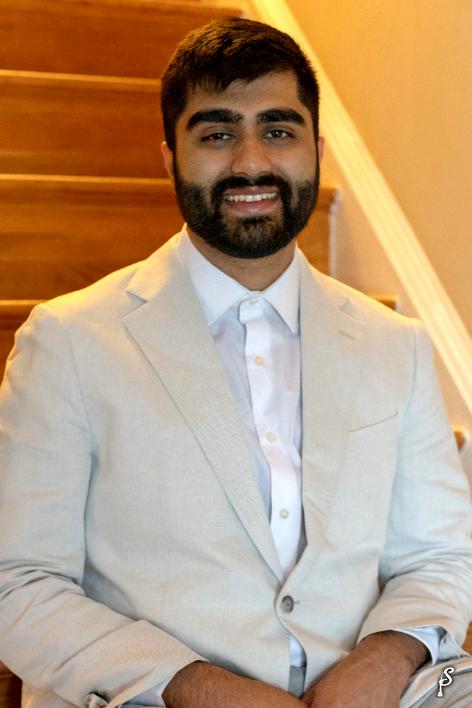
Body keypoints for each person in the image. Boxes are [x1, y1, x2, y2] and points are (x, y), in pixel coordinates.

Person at [0, 17, 471, 708]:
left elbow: (440, 556)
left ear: (316, 149)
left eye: (278, 131)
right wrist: (199, 688)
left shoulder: (394, 344)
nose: (251, 163)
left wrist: (387, 655)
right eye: (217, 134)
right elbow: (18, 582)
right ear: (170, 158)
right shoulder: (67, 341)